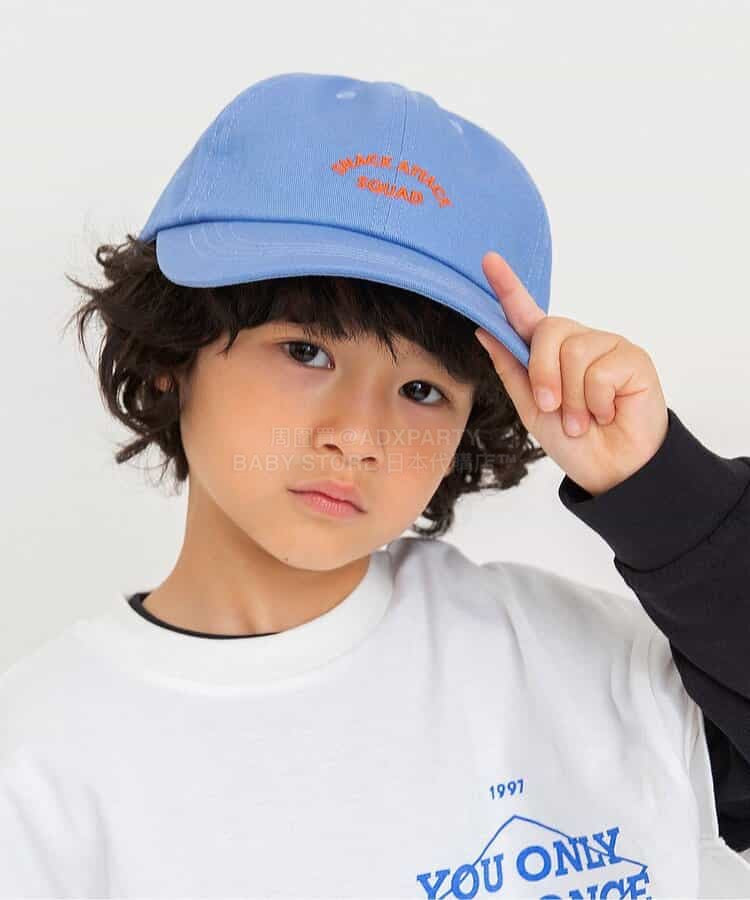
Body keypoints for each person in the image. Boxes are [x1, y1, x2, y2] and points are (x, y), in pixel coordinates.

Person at [1, 71, 749, 898]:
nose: (357, 437)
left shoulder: (593, 671)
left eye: (422, 390)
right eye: (306, 352)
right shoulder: (39, 769)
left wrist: (664, 491)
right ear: (173, 356)